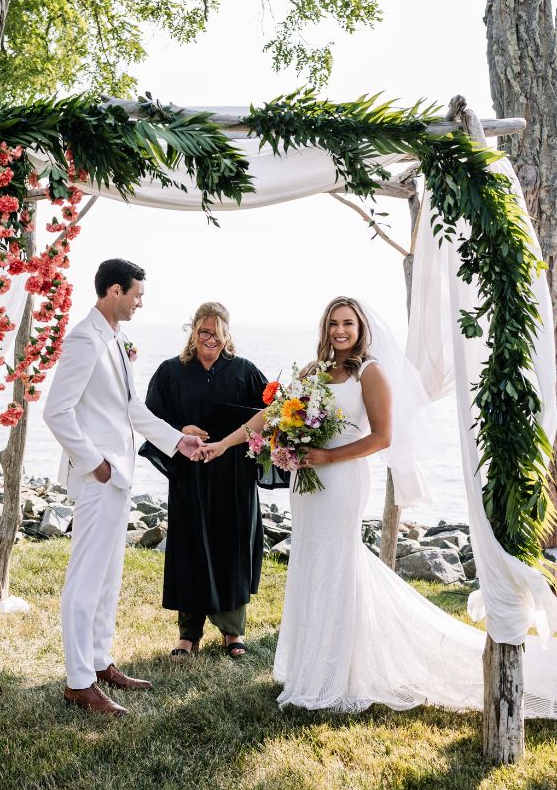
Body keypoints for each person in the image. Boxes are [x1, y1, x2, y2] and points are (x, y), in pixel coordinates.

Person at [199, 296, 557, 713]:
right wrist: (224, 444)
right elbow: (272, 415)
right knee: (311, 564)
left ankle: (336, 676)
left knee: (336, 564)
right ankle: (307, 668)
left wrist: (327, 456)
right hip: (306, 485)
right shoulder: (313, 372)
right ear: (325, 328)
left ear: (360, 327)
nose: (340, 331)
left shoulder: (370, 373)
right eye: (333, 322)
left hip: (342, 480)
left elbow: (382, 438)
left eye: (347, 323)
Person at [44, 258, 203, 716]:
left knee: (109, 577)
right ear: (114, 291)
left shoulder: (116, 339)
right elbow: (57, 410)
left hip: (118, 479)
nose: (140, 302)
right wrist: (94, 463)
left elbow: (134, 410)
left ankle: (99, 662)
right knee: (85, 578)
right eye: (136, 294)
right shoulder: (83, 339)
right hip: (99, 478)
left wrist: (179, 441)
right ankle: (78, 682)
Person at [142, 302, 268, 659]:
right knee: (190, 545)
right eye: (204, 331)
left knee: (232, 544)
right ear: (192, 331)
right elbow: (151, 417)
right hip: (190, 472)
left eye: (217, 331)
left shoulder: (244, 370)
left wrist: (229, 444)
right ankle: (188, 633)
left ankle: (233, 631)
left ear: (228, 333)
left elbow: (270, 411)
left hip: (233, 474)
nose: (211, 338)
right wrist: (181, 431)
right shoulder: (171, 371)